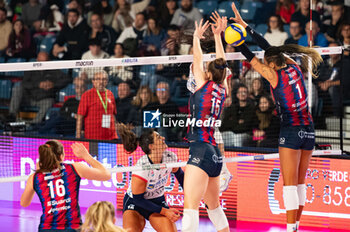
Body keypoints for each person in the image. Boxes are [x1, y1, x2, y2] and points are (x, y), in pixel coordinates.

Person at [230, 3, 323, 231]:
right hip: (309, 130)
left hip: (291, 131)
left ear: (271, 64)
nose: (264, 64)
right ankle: (296, 226)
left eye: (266, 62)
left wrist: (236, 40)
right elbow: (270, 48)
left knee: (290, 185)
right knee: (299, 184)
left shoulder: (273, 75)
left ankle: (291, 229)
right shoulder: (293, 65)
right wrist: (247, 28)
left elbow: (250, 55)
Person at [182, 14, 229, 232]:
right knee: (214, 208)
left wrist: (196, 38)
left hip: (200, 148)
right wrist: (218, 36)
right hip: (216, 155)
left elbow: (197, 58)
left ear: (209, 73)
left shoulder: (203, 84)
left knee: (190, 208)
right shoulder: (223, 88)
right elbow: (222, 63)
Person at [20, 140, 111, 231]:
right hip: (72, 227)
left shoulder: (35, 178)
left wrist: (38, 177)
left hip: (47, 228)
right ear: (61, 156)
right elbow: (106, 175)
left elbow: (24, 203)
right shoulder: (74, 168)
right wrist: (86, 156)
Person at [117, 124, 184, 232]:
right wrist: (165, 211)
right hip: (135, 203)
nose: (163, 138)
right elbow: (138, 200)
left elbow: (181, 176)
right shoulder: (142, 167)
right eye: (158, 137)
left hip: (157, 200)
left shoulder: (170, 157)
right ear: (151, 146)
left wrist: (192, 197)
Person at [8, 52, 70, 124]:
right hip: (29, 98)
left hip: (44, 99)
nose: (42, 64)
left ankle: (34, 123)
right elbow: (24, 84)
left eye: (45, 62)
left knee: (49, 102)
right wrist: (38, 84)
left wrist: (53, 85)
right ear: (37, 60)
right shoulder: (31, 69)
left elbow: (67, 79)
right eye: (40, 62)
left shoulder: (54, 70)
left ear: (49, 61)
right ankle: (12, 116)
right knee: (17, 88)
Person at [76, 71, 118, 140]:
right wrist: (78, 136)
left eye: (104, 79)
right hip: (93, 137)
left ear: (107, 81)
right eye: (98, 79)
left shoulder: (110, 94)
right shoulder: (86, 95)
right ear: (93, 81)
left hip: (111, 137)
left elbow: (113, 115)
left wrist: (115, 131)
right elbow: (80, 117)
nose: (101, 82)